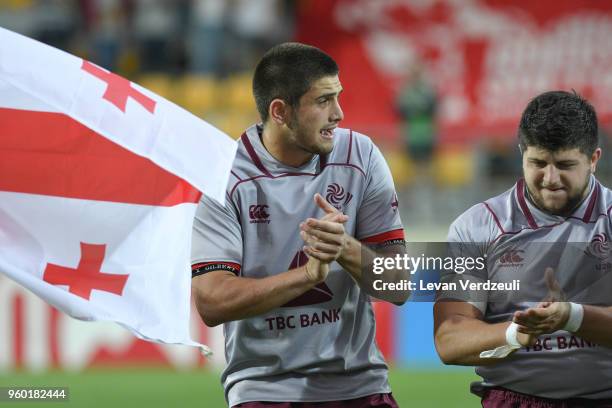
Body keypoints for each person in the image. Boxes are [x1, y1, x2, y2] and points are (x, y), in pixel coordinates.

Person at [191, 43, 409, 407]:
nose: (339, 114)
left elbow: (399, 285)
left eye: (338, 97)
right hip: (264, 388)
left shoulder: (362, 155)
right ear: (280, 111)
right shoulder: (224, 177)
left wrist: (344, 248)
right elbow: (212, 302)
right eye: (323, 101)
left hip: (360, 384)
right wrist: (308, 275)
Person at [434, 90, 612, 407]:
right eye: (538, 163)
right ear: (521, 154)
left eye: (565, 164)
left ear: (594, 159)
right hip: (514, 400)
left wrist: (571, 317)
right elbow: (450, 340)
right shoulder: (478, 226)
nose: (550, 179)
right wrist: (515, 333)